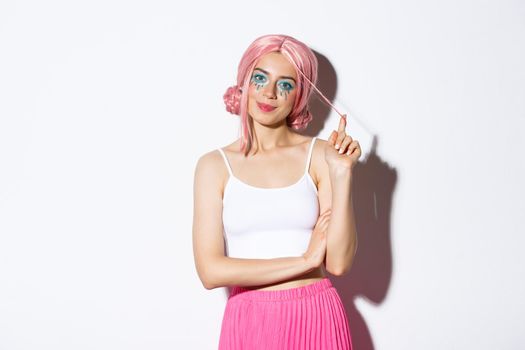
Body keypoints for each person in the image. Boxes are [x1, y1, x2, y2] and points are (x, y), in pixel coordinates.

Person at [192, 34, 361, 349]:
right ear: (244, 82)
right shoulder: (214, 166)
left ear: (299, 96)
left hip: (316, 314)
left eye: (286, 84)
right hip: (250, 319)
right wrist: (305, 260)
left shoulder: (322, 155)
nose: (269, 93)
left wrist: (342, 174)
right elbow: (210, 271)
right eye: (260, 78)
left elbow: (338, 263)